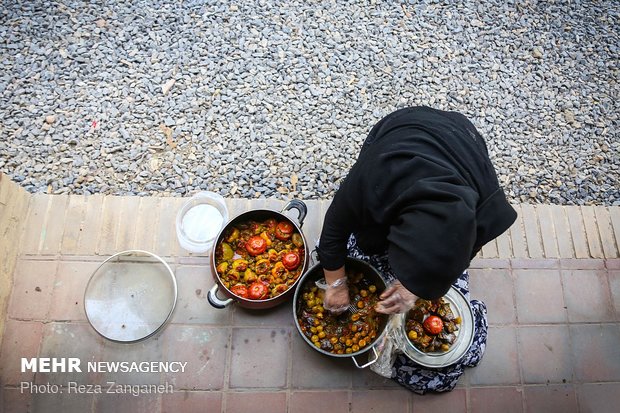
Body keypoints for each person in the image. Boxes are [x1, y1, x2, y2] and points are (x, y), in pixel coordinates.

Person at [316, 106, 517, 393]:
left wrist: (414, 286)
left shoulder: (483, 208)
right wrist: (336, 284)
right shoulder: (372, 177)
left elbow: (462, 251)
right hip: (400, 133)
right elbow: (334, 230)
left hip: (460, 142)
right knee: (367, 239)